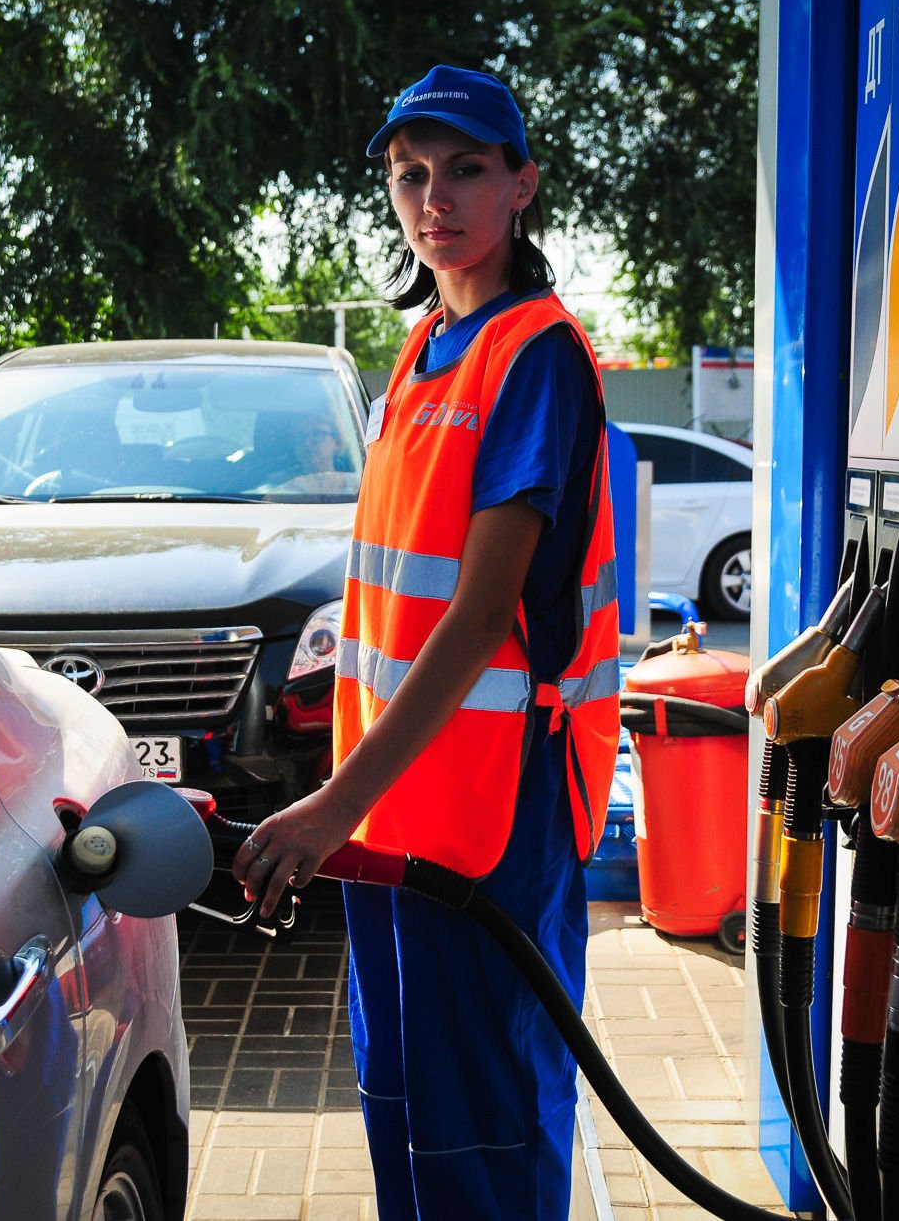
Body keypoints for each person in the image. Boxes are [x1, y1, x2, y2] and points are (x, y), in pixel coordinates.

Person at [231, 65, 620, 1220]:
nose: (433, 196)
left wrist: (327, 804)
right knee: (407, 1109)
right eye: (411, 175)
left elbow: (476, 615)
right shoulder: (417, 355)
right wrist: (349, 800)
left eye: (464, 169)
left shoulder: (534, 355)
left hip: (493, 814)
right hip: (404, 809)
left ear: (521, 187)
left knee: (486, 1121)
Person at [267, 412, 362, 495]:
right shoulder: (281, 490)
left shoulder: (359, 485)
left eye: (317, 434)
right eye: (301, 436)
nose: (307, 443)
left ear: (337, 441)